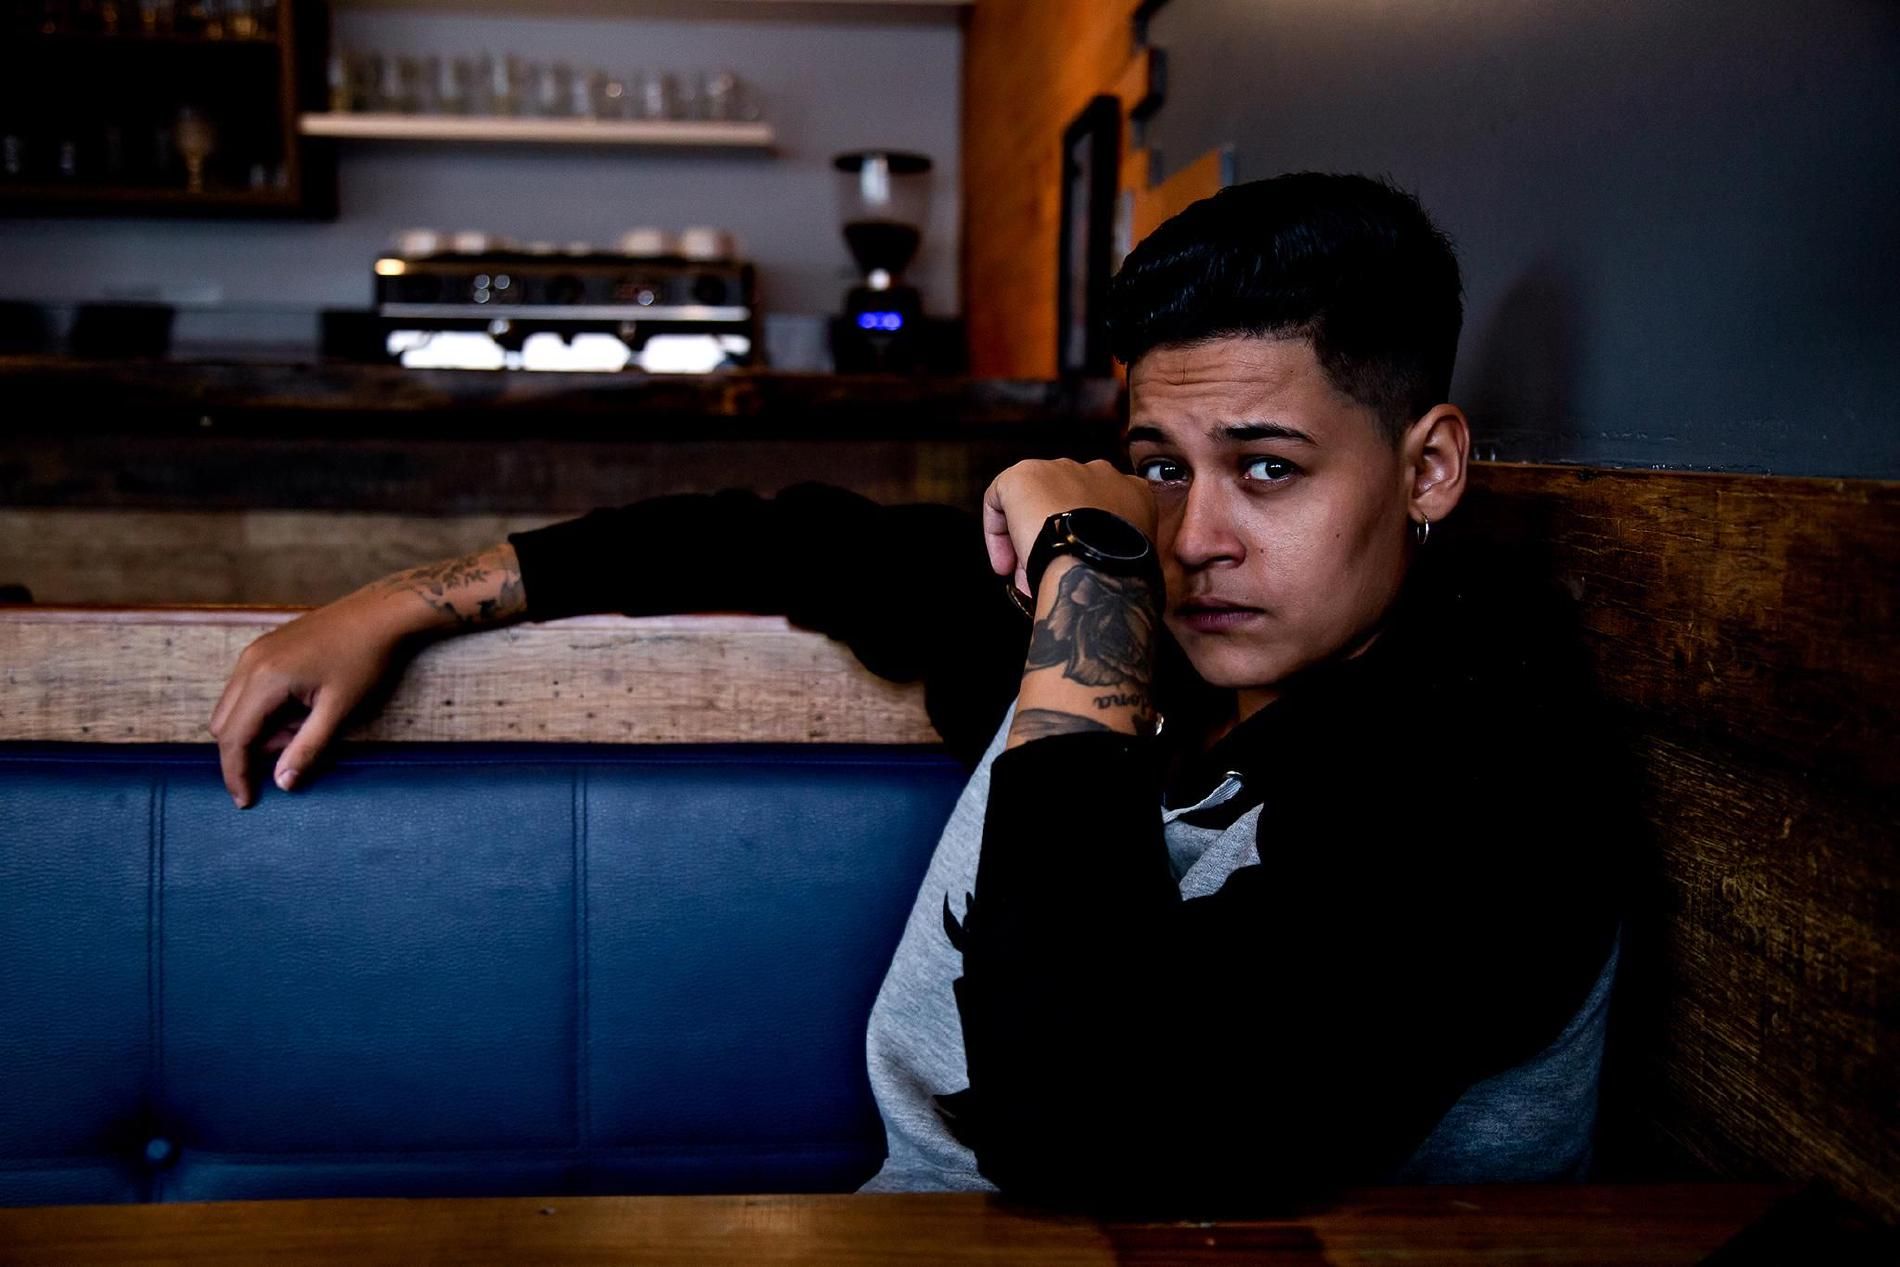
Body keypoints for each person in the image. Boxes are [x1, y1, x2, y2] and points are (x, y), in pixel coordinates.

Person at [210, 173, 1625, 1213]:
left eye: (1268, 468)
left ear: (1428, 468)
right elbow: (779, 537)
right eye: (1158, 466)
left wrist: (1093, 583)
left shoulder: (1493, 759)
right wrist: (396, 604)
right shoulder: (1132, 607)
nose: (1196, 537)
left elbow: (1088, 1137)